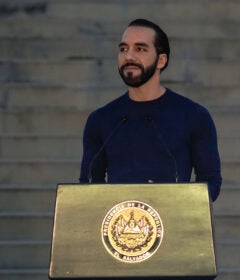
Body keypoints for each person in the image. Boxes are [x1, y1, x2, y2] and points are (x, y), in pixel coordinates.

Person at [79, 19, 222, 201]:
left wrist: (169, 198)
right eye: (123, 49)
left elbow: (211, 183)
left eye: (140, 49)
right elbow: (88, 185)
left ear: (161, 60)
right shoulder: (100, 119)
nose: (129, 56)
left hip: (174, 224)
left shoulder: (194, 116)